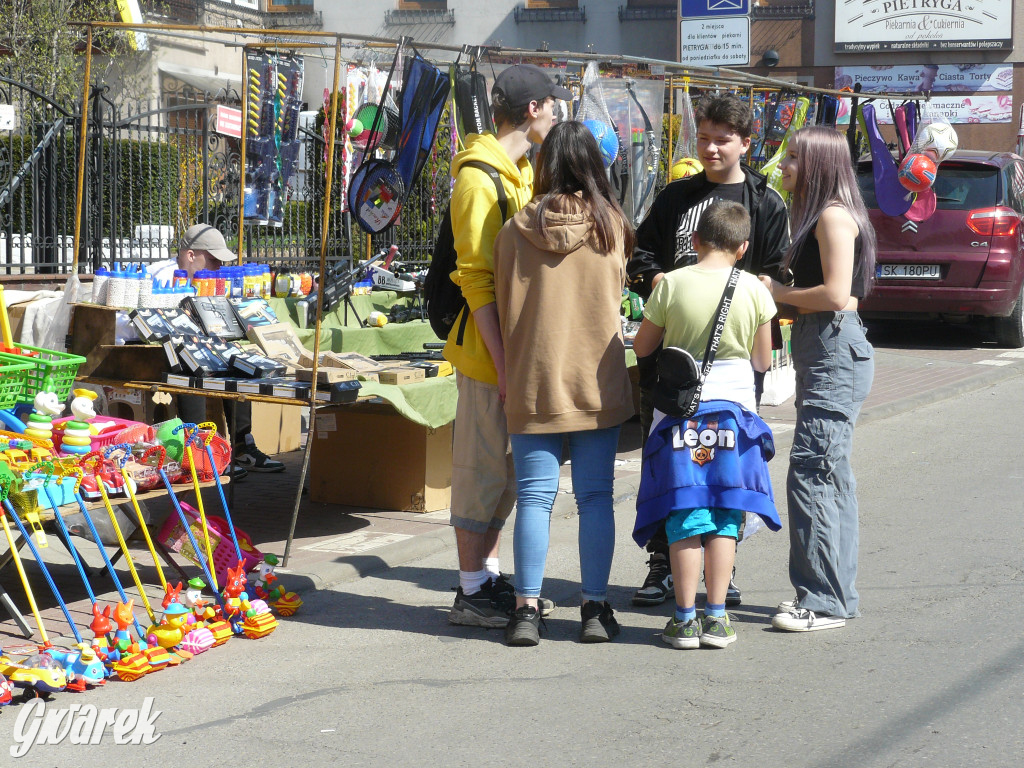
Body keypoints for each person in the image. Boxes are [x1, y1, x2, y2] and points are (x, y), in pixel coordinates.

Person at [626, 95, 789, 608]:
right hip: (671, 362)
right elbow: (641, 252)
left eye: (723, 139)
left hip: (737, 365)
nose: (712, 147)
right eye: (705, 137)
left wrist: (768, 282)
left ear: (745, 143)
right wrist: (658, 284)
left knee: (725, 469)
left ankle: (723, 569)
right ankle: (661, 565)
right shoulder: (676, 197)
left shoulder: (766, 201)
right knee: (670, 466)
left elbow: (784, 267)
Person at [493, 121, 635, 646]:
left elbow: (505, 302)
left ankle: (526, 610)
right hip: (596, 378)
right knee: (596, 497)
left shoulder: (513, 231)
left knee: (534, 497)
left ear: (546, 164)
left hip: (533, 377)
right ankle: (594, 608)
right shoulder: (613, 227)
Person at [445, 64, 572, 628]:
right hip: (489, 356)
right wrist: (502, 366)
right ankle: (471, 590)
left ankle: (486, 580)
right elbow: (475, 280)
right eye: (555, 106)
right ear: (533, 110)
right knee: (480, 472)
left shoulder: (520, 168)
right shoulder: (479, 177)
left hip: (513, 356)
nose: (559, 115)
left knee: (510, 476)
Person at [631, 201, 779, 649]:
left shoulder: (672, 284)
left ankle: (683, 619)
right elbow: (763, 360)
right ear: (743, 247)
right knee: (724, 513)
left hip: (680, 412)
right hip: (734, 410)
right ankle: (718, 618)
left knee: (686, 510)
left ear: (694, 242)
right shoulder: (754, 288)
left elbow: (642, 348)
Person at [759, 126, 876, 632]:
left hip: (832, 348)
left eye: (792, 159)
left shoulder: (831, 216)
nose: (783, 166)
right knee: (829, 474)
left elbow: (834, 294)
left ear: (817, 165)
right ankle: (834, 593)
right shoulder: (822, 214)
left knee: (813, 471)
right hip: (825, 346)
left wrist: (777, 291)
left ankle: (823, 600)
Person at [151, 224, 285, 477]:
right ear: (191, 255)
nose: (218, 267)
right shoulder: (160, 274)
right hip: (163, 350)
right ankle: (204, 452)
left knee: (239, 361)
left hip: (203, 343)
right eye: (213, 260)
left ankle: (243, 446)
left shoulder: (211, 280)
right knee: (193, 366)